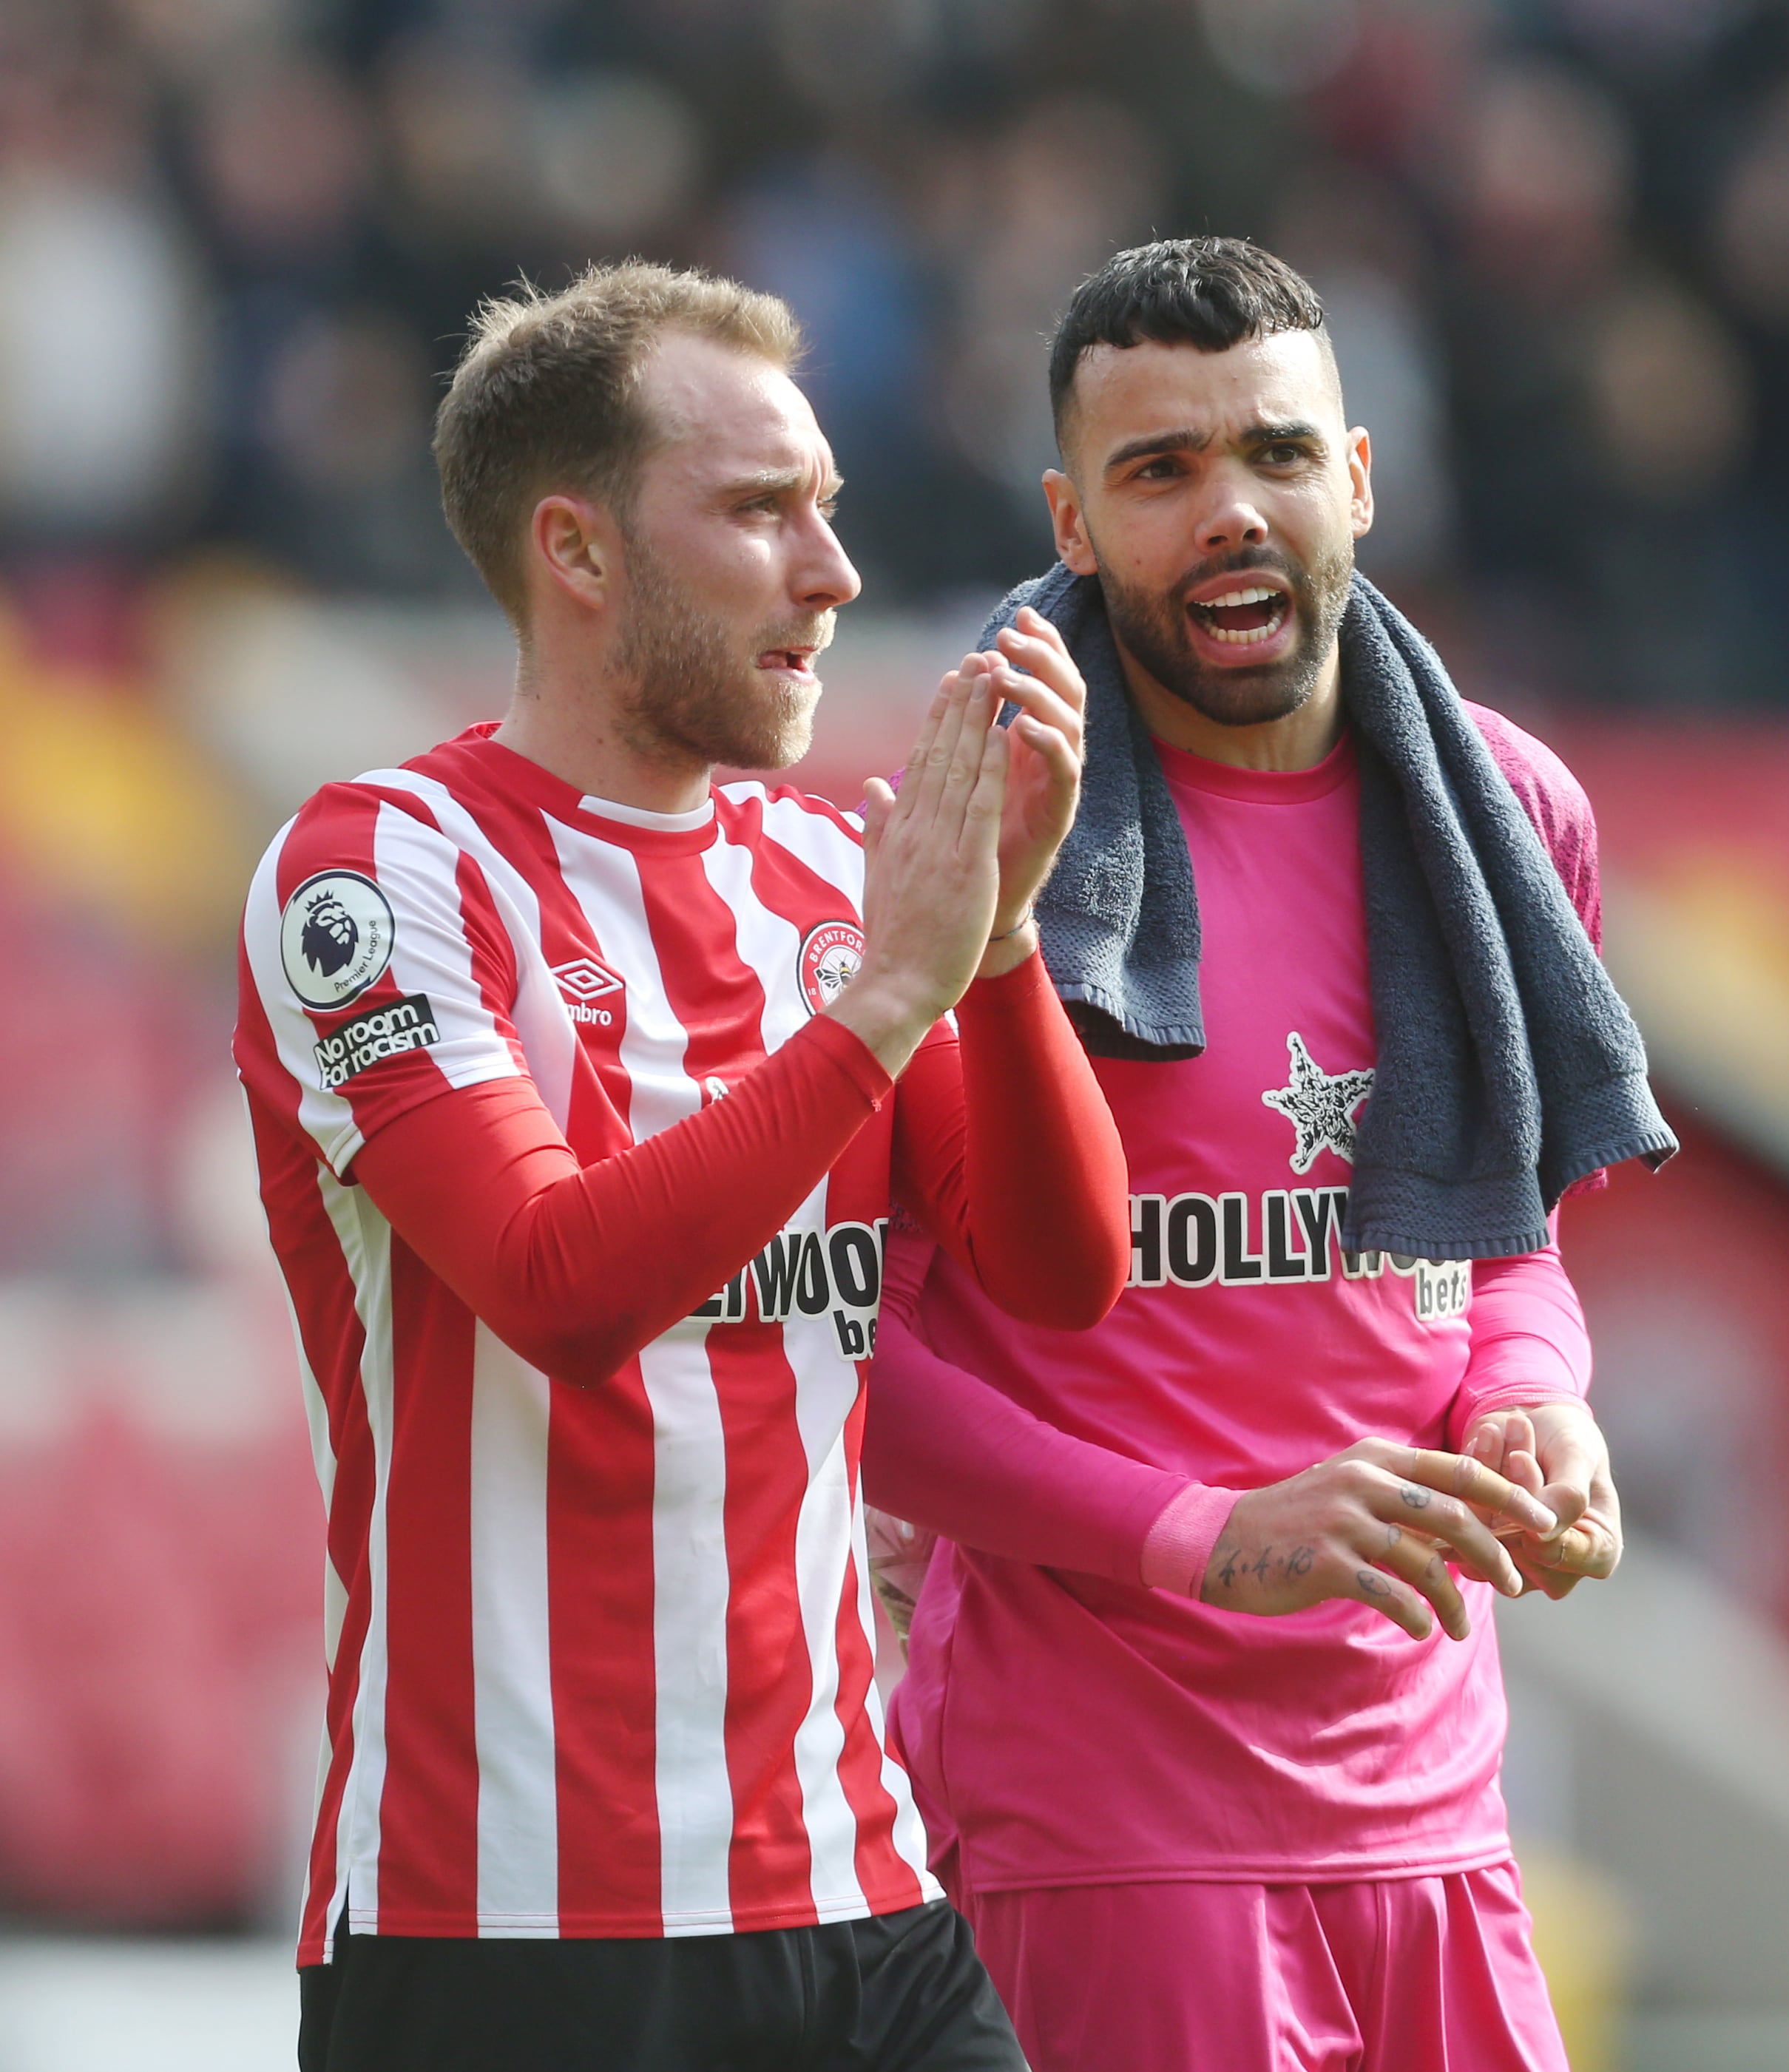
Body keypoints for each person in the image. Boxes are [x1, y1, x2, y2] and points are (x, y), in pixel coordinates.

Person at [234, 259, 1132, 2072]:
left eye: (829, 507)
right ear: (576, 554)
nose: (833, 573)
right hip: (508, 1927)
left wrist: (1008, 946)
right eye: (757, 513)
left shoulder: (822, 877)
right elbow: (560, 1285)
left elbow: (1061, 1275)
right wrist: (891, 999)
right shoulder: (382, 871)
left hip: (854, 1892)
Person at [865, 237, 1676, 2072]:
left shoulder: (1502, 809)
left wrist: (1531, 1399)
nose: (1228, 510)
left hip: (1437, 1804)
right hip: (1109, 1829)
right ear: (1070, 523)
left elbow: (1500, 1239)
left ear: (1361, 480)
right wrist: (1201, 1537)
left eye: (1274, 454)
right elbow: (859, 1365)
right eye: (1159, 473)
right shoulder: (968, 836)